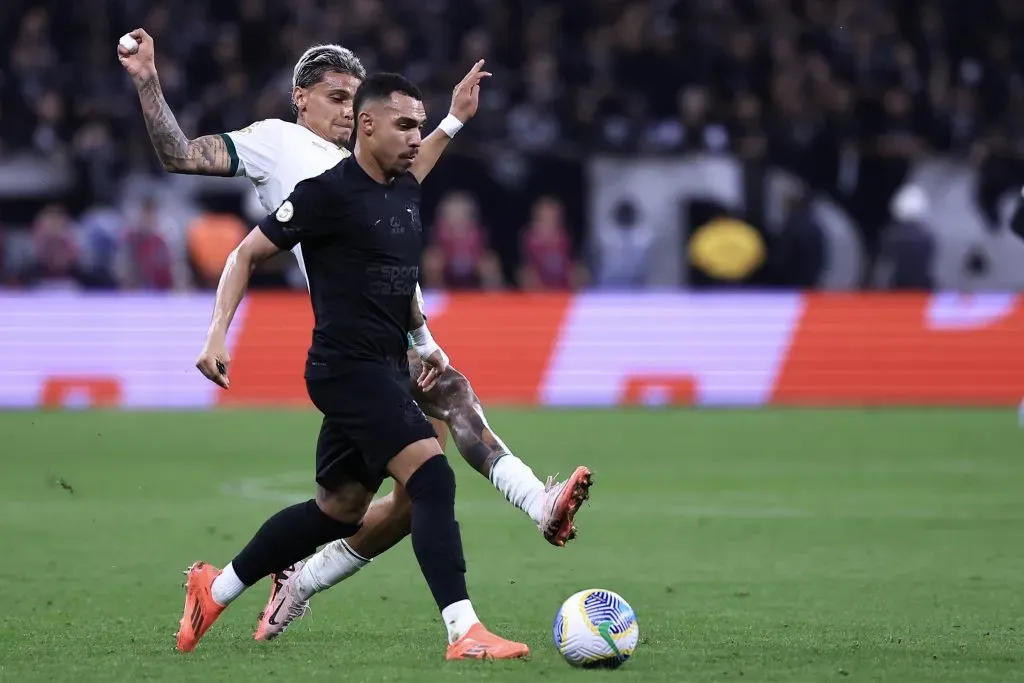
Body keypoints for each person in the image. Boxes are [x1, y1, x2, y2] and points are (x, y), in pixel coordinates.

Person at [118, 32, 591, 644]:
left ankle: (266, 585)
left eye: (353, 99)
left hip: (392, 330)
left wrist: (452, 118)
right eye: (335, 97)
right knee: (435, 457)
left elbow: (411, 170)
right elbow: (182, 156)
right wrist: (148, 79)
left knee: (357, 506)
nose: (344, 110)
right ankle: (508, 556)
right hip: (350, 345)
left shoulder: (379, 172)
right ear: (300, 100)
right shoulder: (276, 145)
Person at [177, 72, 530, 659]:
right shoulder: (326, 193)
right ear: (367, 126)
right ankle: (464, 631)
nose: (417, 138)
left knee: (337, 512)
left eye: (420, 126)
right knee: (432, 476)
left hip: (386, 366)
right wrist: (216, 335)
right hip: (346, 370)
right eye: (405, 125)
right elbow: (246, 254)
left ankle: (212, 590)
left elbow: (424, 158)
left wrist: (455, 117)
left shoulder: (403, 188)